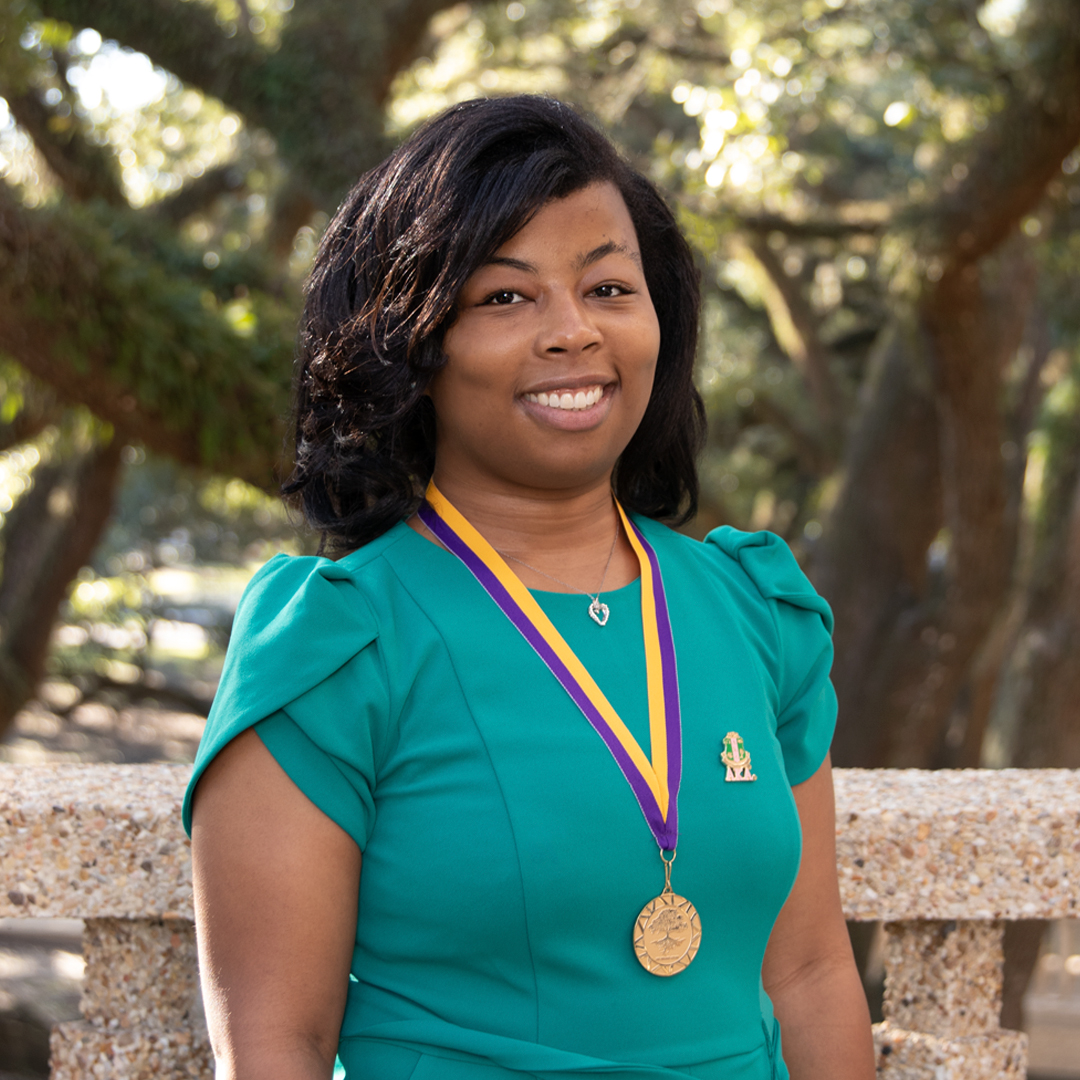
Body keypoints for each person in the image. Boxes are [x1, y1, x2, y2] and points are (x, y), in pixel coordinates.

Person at [184, 95, 875, 1080]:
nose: (573, 334)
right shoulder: (337, 645)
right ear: (411, 342)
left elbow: (808, 973)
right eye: (506, 298)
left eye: (608, 288)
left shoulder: (755, 611)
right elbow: (275, 1049)